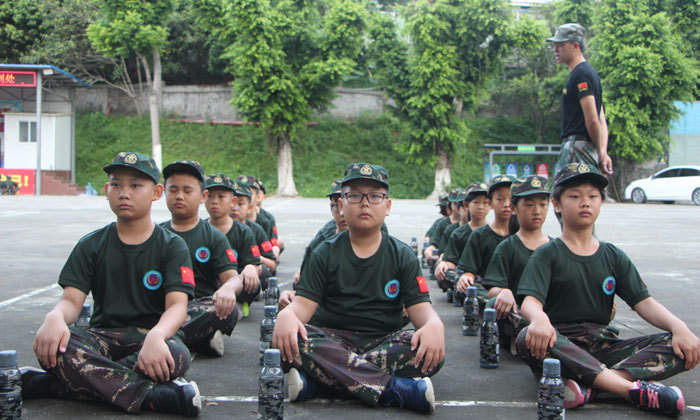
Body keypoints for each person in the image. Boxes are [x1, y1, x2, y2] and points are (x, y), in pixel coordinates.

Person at [21, 152, 201, 416]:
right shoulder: (91, 244)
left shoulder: (172, 245)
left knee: (176, 355)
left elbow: (177, 306)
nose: (124, 193)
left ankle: (57, 384)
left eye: (135, 185)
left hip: (151, 336)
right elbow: (71, 301)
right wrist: (55, 317)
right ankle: (152, 396)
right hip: (102, 336)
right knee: (59, 345)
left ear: (156, 192)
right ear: (107, 190)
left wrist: (157, 335)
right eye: (116, 185)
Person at [515, 163, 700, 417]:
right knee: (527, 337)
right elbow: (530, 301)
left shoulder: (613, 255)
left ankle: (594, 387)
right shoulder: (547, 253)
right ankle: (629, 390)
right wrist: (539, 319)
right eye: (575, 196)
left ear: (601, 202)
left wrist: (680, 327)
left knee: (681, 344)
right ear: (556, 204)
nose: (585, 203)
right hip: (561, 344)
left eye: (593, 196)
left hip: (605, 347)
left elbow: (644, 303)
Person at [272, 162, 445, 414]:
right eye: (354, 195)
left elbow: (423, 314)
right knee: (292, 338)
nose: (365, 203)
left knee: (428, 349)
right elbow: (301, 309)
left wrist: (434, 324)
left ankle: (321, 384)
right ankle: (395, 389)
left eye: (375, 196)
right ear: (341, 204)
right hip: (332, 339)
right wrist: (287, 315)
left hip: (384, 340)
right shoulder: (324, 253)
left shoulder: (402, 255)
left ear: (387, 206)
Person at [160, 161, 249, 358]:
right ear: (163, 192)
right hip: (163, 308)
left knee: (226, 310)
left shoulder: (213, 236)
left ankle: (162, 337)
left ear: (202, 196)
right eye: (173, 190)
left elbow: (233, 278)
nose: (179, 196)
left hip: (197, 308)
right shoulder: (157, 234)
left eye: (187, 190)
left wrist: (227, 288)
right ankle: (196, 339)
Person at [482, 176, 551, 353]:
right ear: (514, 208)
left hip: (549, 314)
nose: (537, 211)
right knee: (493, 304)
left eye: (542, 204)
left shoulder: (555, 247)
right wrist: (503, 291)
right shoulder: (507, 247)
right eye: (529, 204)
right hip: (519, 313)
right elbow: (492, 288)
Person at [547, 23, 613, 176]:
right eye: (555, 45)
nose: (555, 50)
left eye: (561, 45)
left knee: (569, 189)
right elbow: (601, 117)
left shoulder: (581, 74)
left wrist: (601, 152)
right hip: (585, 148)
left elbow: (593, 119)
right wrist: (602, 151)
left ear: (575, 46)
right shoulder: (589, 72)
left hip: (577, 148)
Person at [204, 173, 262, 310]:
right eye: (210, 196)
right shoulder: (200, 229)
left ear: (233, 201)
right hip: (206, 286)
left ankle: (239, 304)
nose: (214, 201)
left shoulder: (244, 231)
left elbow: (254, 262)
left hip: (234, 283)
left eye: (221, 196)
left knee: (254, 280)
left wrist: (250, 267)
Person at [455, 175, 515, 300]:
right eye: (500, 199)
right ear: (490, 203)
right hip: (489, 292)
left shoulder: (522, 235)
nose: (506, 204)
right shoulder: (479, 235)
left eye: (511, 199)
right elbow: (469, 269)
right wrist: (467, 277)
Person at [230, 179, 276, 317]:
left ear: (250, 207)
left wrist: (254, 262)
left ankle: (242, 301)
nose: (234, 207)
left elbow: (272, 263)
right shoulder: (214, 229)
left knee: (262, 272)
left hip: (244, 274)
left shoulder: (255, 230)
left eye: (240, 203)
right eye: (231, 202)